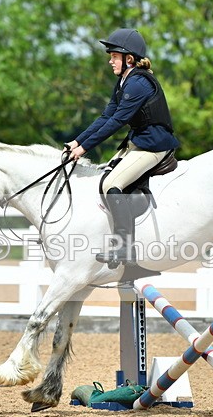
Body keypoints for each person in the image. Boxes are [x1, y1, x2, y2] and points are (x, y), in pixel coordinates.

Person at [66, 28, 179, 266]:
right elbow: (106, 116)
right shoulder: (124, 81)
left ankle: (125, 248)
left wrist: (84, 149)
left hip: (154, 145)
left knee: (110, 184)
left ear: (129, 58)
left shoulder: (138, 83)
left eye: (113, 56)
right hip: (138, 141)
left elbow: (116, 122)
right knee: (104, 175)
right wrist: (77, 141)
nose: (110, 60)